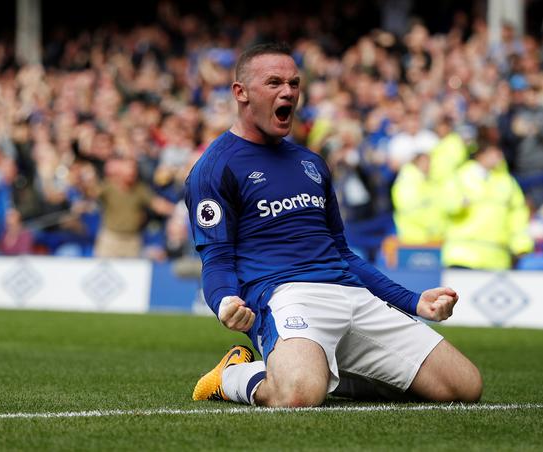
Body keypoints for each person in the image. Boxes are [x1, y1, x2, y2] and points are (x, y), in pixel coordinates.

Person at [185, 43, 482, 408]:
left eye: (294, 83)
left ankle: (322, 372)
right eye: (274, 82)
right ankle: (232, 375)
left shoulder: (312, 164)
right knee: (297, 396)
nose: (288, 92)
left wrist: (414, 302)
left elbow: (343, 254)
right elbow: (216, 257)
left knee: (464, 388)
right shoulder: (214, 167)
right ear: (240, 92)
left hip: (351, 294)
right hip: (285, 296)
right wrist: (225, 301)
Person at [439, 127, 533, 270]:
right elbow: (446, 204)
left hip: (496, 259)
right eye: (494, 153)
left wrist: (521, 245)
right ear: (481, 155)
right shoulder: (460, 177)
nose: (499, 156)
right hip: (463, 256)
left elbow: (518, 216)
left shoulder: (507, 182)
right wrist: (459, 203)